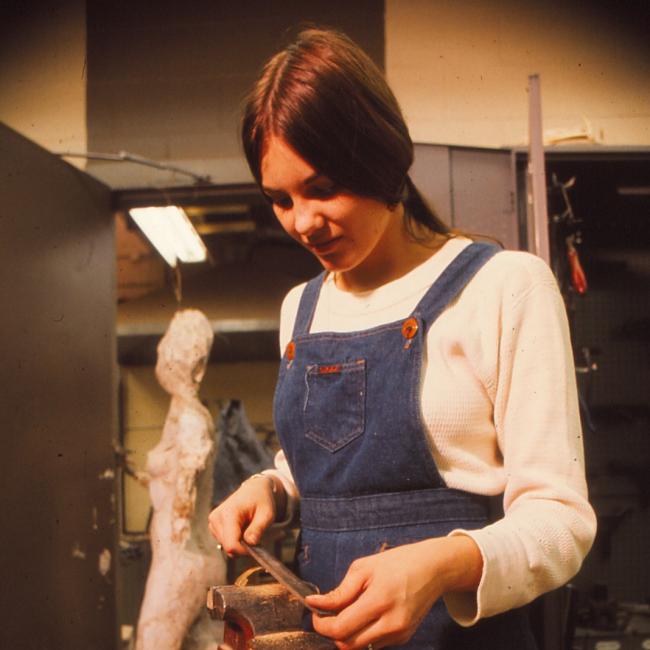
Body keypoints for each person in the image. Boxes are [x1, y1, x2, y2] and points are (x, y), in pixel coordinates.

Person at [208, 28, 596, 650]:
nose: (303, 222)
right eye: (279, 200)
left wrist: (440, 564)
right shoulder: (299, 310)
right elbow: (331, 466)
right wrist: (273, 488)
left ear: (382, 160)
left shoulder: (504, 287)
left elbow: (562, 524)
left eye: (322, 188)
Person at [136, 309, 225, 650]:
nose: (162, 355)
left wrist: (180, 504)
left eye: (169, 349)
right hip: (201, 558)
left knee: (152, 642)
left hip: (179, 559)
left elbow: (191, 464)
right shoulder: (190, 413)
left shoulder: (189, 417)